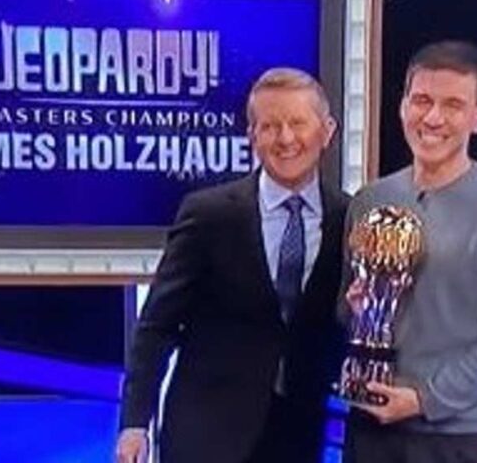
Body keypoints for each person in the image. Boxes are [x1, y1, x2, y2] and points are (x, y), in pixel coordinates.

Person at [116, 68, 350, 463]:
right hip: (204, 433)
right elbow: (157, 325)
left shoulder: (349, 217)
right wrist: (135, 422)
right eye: (270, 126)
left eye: (297, 123)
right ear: (252, 136)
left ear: (327, 131)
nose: (286, 139)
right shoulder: (209, 214)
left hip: (297, 435)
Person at [339, 40, 477, 463]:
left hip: (459, 440)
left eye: (453, 105)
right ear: (403, 106)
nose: (433, 117)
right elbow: (346, 312)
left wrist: (426, 399)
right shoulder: (370, 200)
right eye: (422, 100)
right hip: (370, 433)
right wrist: (357, 309)